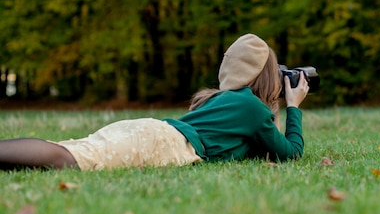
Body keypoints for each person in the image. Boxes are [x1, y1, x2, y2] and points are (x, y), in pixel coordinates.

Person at [0, 34, 309, 171]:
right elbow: (290, 153)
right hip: (160, 143)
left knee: (68, 151)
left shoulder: (228, 101)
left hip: (151, 132)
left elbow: (266, 150)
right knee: (67, 159)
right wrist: (293, 105)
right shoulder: (250, 109)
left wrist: (275, 105)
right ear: (267, 76)